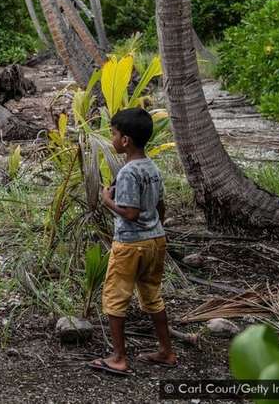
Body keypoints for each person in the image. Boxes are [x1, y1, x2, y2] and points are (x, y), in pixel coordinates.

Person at [89, 107, 176, 376]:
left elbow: (130, 212)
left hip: (130, 244)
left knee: (115, 297)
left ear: (125, 140)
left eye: (113, 134)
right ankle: (166, 351)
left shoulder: (128, 172)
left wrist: (107, 201)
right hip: (156, 240)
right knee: (152, 295)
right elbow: (160, 207)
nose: (111, 138)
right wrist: (155, 227)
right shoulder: (152, 167)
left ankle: (118, 357)